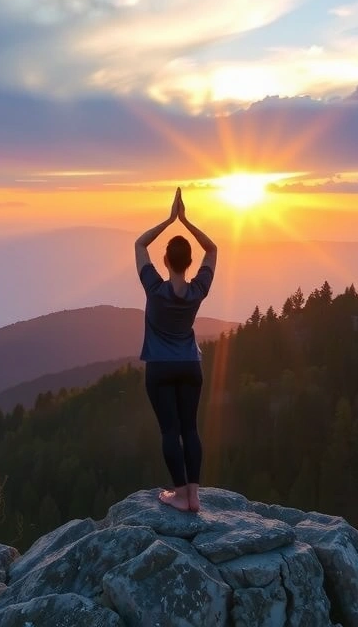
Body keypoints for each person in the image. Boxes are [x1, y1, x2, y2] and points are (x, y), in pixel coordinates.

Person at [134, 186, 218, 513]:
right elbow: (212, 248)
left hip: (159, 367)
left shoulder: (155, 288)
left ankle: (179, 494)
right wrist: (187, 221)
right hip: (190, 366)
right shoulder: (199, 289)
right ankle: (194, 496)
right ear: (191, 262)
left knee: (170, 430)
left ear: (165, 260)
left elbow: (140, 244)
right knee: (190, 428)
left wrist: (169, 221)